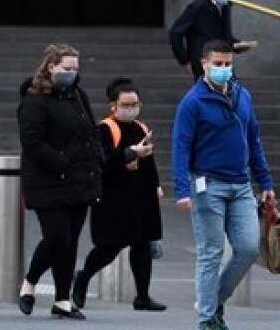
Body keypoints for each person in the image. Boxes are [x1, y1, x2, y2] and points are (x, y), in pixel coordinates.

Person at [171, 39, 275, 330]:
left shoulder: (243, 96)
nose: (223, 69)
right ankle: (207, 319)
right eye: (217, 64)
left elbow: (253, 139)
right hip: (207, 185)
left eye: (228, 64)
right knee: (211, 252)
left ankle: (213, 301)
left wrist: (264, 180)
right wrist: (182, 188)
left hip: (241, 185)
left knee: (248, 249)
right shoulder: (193, 102)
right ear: (204, 64)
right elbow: (181, 146)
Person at [16, 44, 103, 320]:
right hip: (47, 180)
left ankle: (62, 299)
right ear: (51, 67)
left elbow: (92, 130)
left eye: (75, 69)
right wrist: (62, 162)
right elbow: (32, 142)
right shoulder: (34, 99)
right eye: (67, 68)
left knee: (71, 242)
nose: (72, 74)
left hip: (79, 179)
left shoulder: (78, 95)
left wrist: (97, 157)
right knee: (57, 238)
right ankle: (30, 281)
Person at [71, 78, 167, 312]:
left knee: (142, 244)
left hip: (140, 194)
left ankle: (142, 296)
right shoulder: (104, 129)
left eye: (135, 104)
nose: (131, 108)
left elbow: (149, 161)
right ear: (113, 105)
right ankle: (83, 277)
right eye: (126, 104)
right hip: (114, 197)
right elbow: (101, 163)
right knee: (110, 247)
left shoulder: (140, 128)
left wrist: (155, 185)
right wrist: (129, 154)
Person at [169, 0, 249, 79]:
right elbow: (176, 32)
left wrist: (237, 45)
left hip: (221, 58)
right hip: (203, 60)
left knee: (232, 89)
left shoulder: (225, 6)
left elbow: (224, 35)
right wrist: (185, 60)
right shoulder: (197, 8)